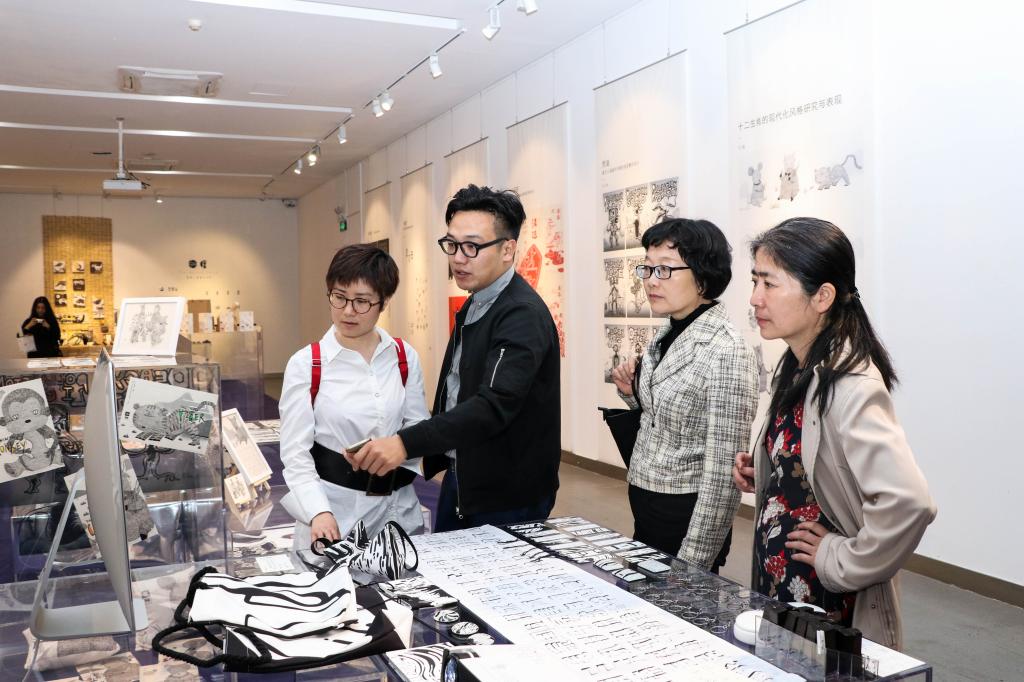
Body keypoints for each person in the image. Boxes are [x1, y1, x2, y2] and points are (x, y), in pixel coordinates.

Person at [732, 217, 936, 649]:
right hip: (785, 588)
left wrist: (840, 559)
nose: (754, 298)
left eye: (769, 284)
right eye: (754, 282)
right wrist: (770, 468)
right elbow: (815, 463)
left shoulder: (850, 384)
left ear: (822, 296)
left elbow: (909, 502)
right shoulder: (797, 365)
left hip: (824, 604)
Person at [349, 184, 561, 532]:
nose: (458, 258)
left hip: (506, 495)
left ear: (508, 249)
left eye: (472, 247)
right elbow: (457, 390)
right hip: (464, 477)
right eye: (452, 245)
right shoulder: (477, 302)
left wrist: (405, 443)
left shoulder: (521, 314)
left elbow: (492, 405)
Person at [611, 219, 757, 572]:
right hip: (647, 505)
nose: (651, 280)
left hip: (686, 518)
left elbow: (723, 475)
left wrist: (693, 564)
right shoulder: (670, 330)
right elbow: (670, 417)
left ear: (703, 276)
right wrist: (634, 395)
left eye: (665, 269)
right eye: (647, 268)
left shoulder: (726, 349)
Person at [278, 244, 430, 548]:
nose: (348, 311)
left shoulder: (403, 356)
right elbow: (295, 453)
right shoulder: (307, 363)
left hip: (399, 511)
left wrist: (398, 450)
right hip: (335, 517)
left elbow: (418, 426)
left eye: (362, 301)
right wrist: (318, 512)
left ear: (384, 302)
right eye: (339, 297)